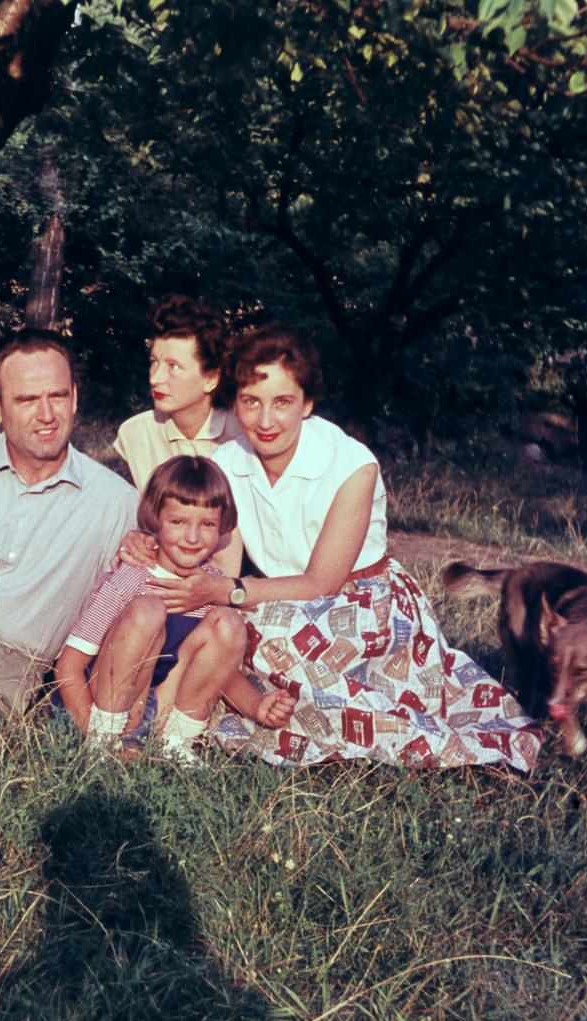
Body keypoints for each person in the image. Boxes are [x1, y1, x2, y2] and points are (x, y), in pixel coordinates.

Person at [140, 325, 542, 770]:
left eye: (283, 402)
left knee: (272, 642)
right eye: (252, 402)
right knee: (223, 630)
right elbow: (223, 564)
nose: (265, 420)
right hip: (273, 597)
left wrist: (229, 593)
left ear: (307, 404)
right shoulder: (226, 462)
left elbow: (322, 581)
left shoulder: (351, 462)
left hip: (363, 601)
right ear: (236, 403)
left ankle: (334, 724)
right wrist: (146, 547)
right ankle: (181, 725)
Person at [0, 329, 139, 716]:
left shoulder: (116, 502)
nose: (47, 415)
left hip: (4, 667)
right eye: (27, 400)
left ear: (75, 398)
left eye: (58, 396)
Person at [54, 457, 247, 763]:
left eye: (207, 524)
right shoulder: (131, 576)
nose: (193, 537)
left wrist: (260, 705)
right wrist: (91, 729)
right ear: (156, 518)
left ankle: (175, 743)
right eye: (178, 522)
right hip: (98, 706)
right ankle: (104, 744)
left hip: (160, 709)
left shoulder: (212, 586)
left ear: (222, 525)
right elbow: (68, 668)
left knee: (230, 623)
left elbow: (224, 670)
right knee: (148, 610)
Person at [111, 295, 244, 490]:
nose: (155, 378)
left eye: (173, 366)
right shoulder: (136, 434)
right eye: (154, 362)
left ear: (211, 379)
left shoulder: (243, 433)